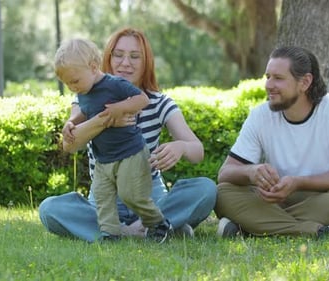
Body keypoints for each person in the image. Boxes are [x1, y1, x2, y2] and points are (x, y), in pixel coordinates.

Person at [39, 28, 217, 243]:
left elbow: (197, 152)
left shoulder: (160, 103)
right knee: (49, 209)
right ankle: (150, 229)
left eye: (135, 56)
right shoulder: (85, 96)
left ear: (146, 62)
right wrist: (105, 119)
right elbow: (70, 146)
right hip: (105, 199)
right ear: (107, 59)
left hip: (150, 196)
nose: (126, 63)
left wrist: (180, 146)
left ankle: (129, 229)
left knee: (206, 189)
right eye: (118, 55)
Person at [215, 46, 329, 239]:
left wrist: (299, 182)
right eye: (268, 77)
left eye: (278, 78)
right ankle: (322, 232)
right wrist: (250, 172)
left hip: (324, 198)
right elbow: (225, 174)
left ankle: (251, 228)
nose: (269, 85)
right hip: (274, 201)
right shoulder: (260, 115)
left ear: (305, 82)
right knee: (222, 194)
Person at [54, 38, 173, 243]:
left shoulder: (114, 84)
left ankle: (159, 223)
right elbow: (83, 112)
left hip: (130, 154)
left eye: (74, 81)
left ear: (93, 68)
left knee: (130, 195)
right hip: (103, 160)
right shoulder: (83, 91)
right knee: (102, 197)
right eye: (67, 84)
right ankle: (111, 234)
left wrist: (120, 108)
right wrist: (71, 123)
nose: (72, 87)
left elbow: (142, 99)